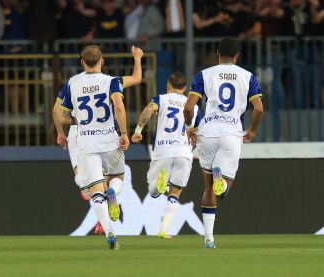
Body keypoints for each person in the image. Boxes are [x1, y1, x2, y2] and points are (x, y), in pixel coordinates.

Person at [53, 45, 143, 235]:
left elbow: (60, 115)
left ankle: (109, 232)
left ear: (81, 62)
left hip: (86, 142)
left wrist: (75, 122)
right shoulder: (112, 81)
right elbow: (122, 101)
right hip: (110, 139)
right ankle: (113, 193)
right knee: (117, 178)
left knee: (95, 191)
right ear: (102, 61)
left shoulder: (72, 83)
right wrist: (137, 58)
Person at [184, 38, 264, 248]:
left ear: (218, 53)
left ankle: (209, 238)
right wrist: (253, 131)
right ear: (237, 55)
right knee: (223, 192)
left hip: (207, 132)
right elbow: (259, 108)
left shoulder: (204, 74)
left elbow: (189, 106)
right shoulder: (248, 77)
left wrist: (189, 127)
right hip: (231, 133)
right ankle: (222, 180)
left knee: (208, 187)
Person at [131, 72, 201, 239]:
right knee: (175, 193)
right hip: (184, 152)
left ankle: (160, 183)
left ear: (168, 85)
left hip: (163, 150)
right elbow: (197, 133)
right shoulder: (194, 107)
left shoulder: (161, 99)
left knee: (153, 191)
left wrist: (138, 131)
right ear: (185, 88)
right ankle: (164, 229)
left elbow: (148, 110)